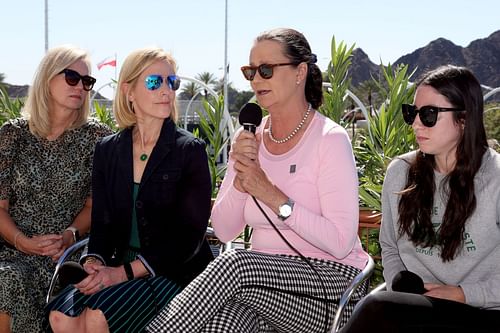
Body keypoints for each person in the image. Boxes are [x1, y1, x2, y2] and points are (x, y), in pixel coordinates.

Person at [146, 28, 369, 333]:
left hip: (330, 288)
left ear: (299, 72)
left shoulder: (329, 140)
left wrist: (271, 194)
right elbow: (224, 229)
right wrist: (241, 180)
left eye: (266, 70)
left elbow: (340, 243)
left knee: (235, 264)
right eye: (250, 71)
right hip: (264, 290)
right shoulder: (248, 136)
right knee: (223, 323)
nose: (255, 80)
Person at [46, 46, 214, 333]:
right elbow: (101, 222)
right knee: (59, 317)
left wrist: (122, 274)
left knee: (98, 317)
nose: (166, 90)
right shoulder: (108, 149)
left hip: (173, 272)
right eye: (154, 82)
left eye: (172, 82)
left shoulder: (190, 150)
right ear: (129, 91)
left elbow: (188, 239)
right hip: (118, 264)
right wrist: (94, 261)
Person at [340, 65, 500, 332]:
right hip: (414, 309)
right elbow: (390, 246)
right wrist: (401, 290)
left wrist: (462, 293)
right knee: (381, 310)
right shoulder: (401, 172)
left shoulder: (495, 177)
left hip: (483, 311)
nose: (415, 123)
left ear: (464, 118)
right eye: (411, 113)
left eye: (428, 114)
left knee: (375, 308)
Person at [0, 45, 112, 332]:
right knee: (5, 281)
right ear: (47, 78)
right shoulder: (12, 135)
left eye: (87, 81)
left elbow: (94, 205)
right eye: (71, 77)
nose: (81, 87)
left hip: (66, 254)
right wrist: (22, 241)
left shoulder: (98, 138)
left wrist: (69, 235)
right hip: (12, 249)